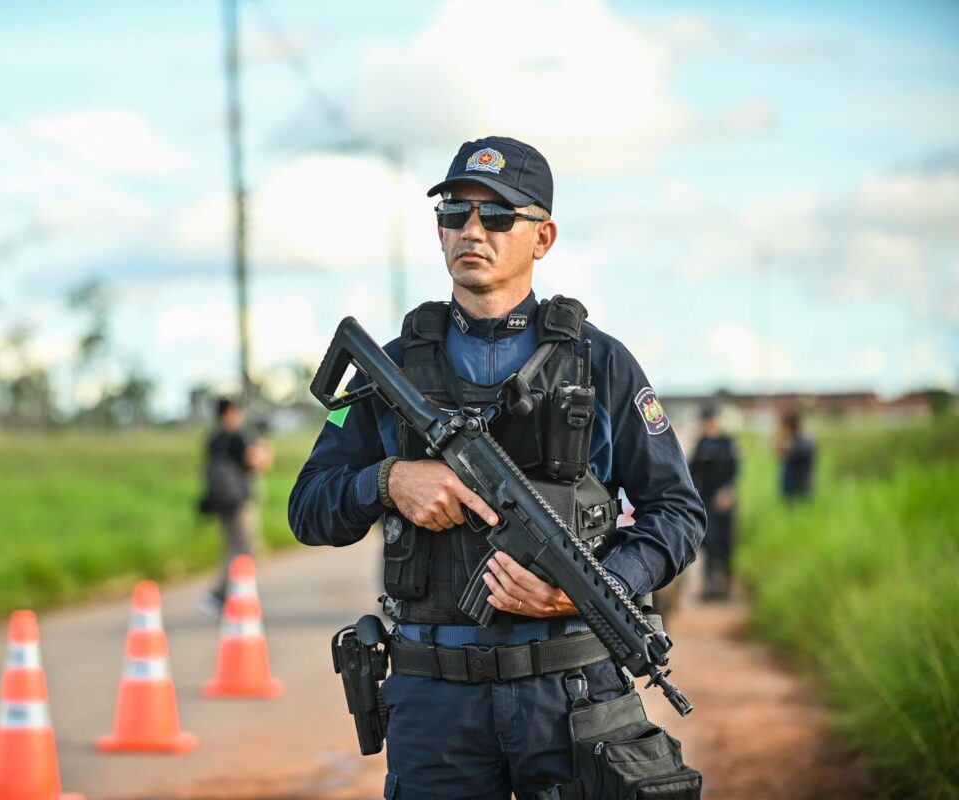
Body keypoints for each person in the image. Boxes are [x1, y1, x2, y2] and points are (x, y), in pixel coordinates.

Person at [289, 136, 705, 798]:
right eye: (455, 213)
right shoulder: (387, 369)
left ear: (543, 237)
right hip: (436, 703)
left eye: (498, 216)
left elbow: (678, 513)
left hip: (572, 696)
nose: (471, 230)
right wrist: (387, 482)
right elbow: (309, 507)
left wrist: (597, 585)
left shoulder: (603, 363)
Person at [198, 397, 272, 616]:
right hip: (240, 501)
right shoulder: (237, 436)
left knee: (232, 548)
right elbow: (258, 463)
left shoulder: (214, 438)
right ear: (230, 412)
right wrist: (265, 448)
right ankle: (223, 596)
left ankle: (229, 597)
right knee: (246, 551)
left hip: (222, 502)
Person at [688, 404, 738, 600]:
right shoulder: (701, 444)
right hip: (707, 501)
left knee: (725, 544)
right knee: (708, 542)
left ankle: (725, 586)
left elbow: (734, 470)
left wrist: (727, 491)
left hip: (724, 501)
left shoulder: (727, 443)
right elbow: (691, 472)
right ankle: (709, 586)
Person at [776, 410, 815, 502]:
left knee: (800, 511)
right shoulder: (794, 438)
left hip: (800, 484)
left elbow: (785, 454)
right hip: (793, 483)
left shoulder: (804, 440)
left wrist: (782, 438)